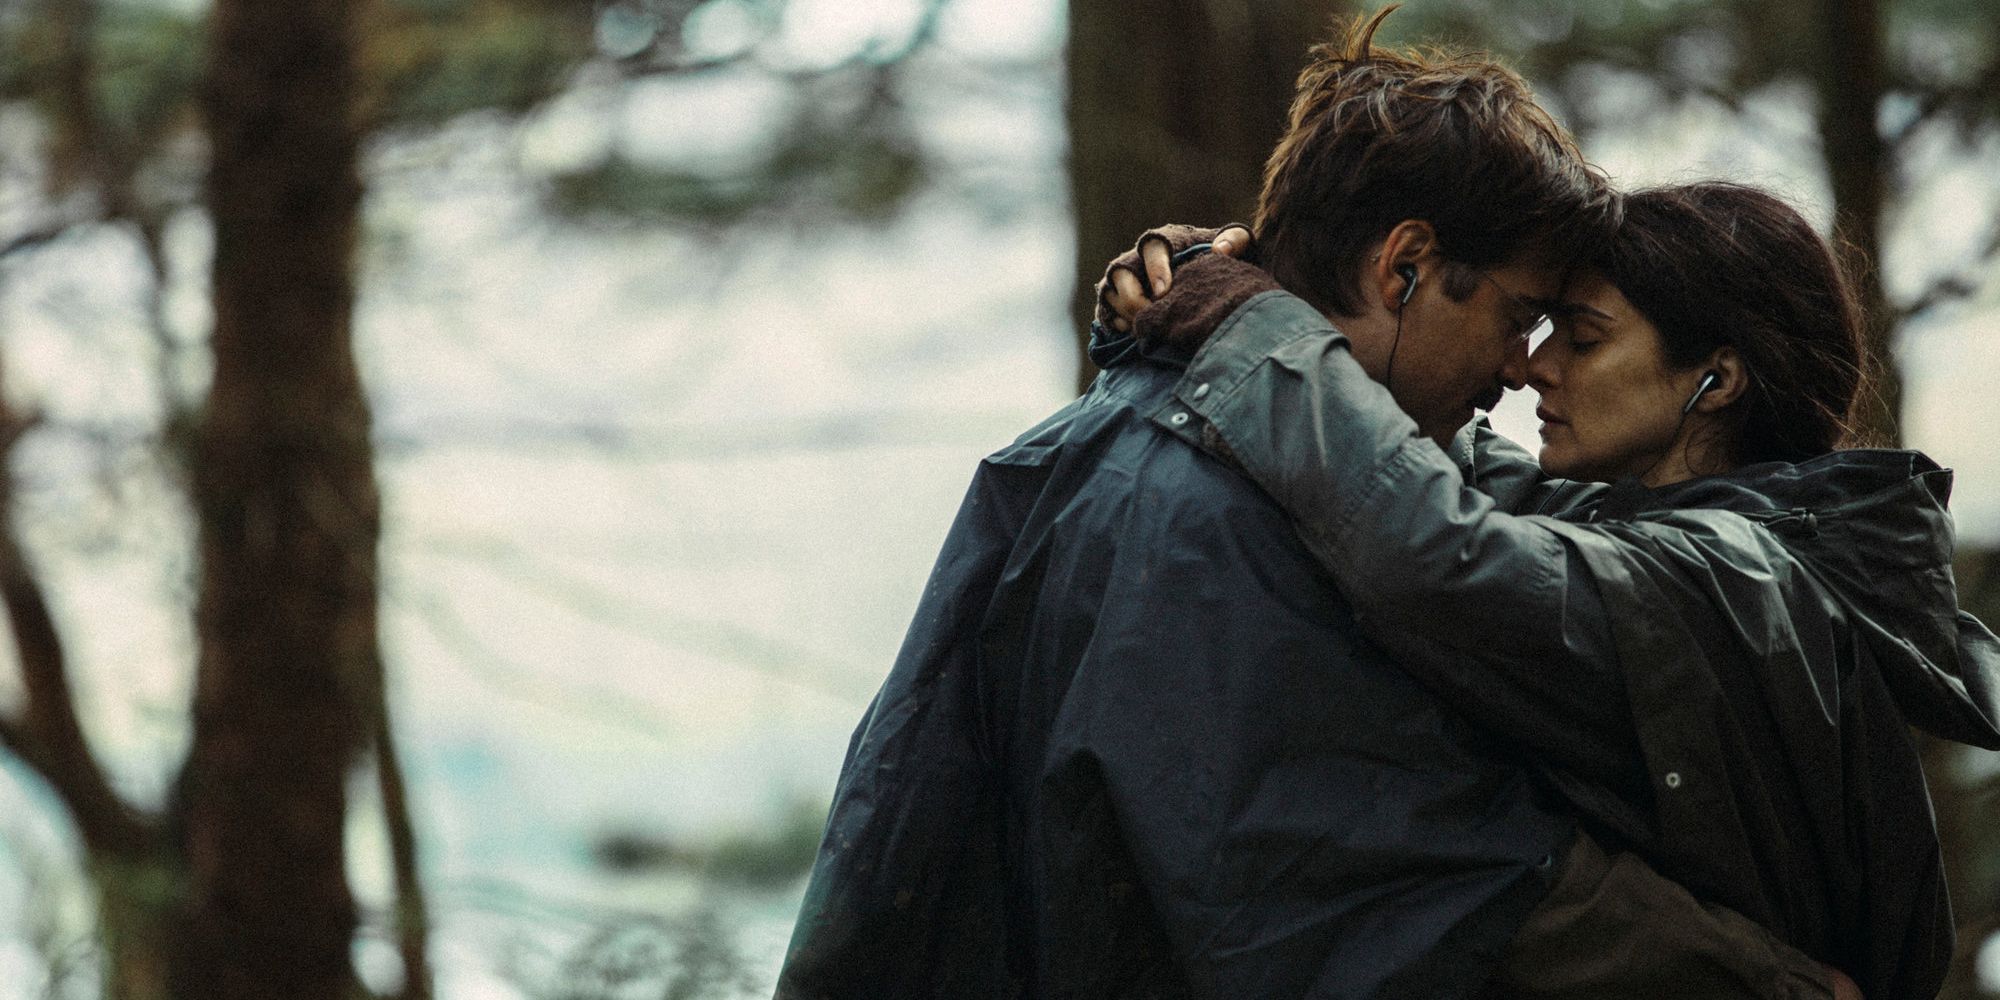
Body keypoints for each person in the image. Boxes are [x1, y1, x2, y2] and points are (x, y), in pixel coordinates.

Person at [779, 14, 1854, 1000]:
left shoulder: (1096, 446)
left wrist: (1231, 324)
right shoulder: (1231, 520)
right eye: (1522, 317)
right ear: (1406, 267)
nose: (1521, 369)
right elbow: (1431, 885)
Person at [1105, 181, 2000, 998]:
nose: (1534, 367)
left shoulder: (1733, 576)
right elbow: (1437, 467)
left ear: (1716, 381)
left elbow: (1430, 549)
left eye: (1583, 337)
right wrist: (1222, 289)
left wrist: (1251, 330)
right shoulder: (1673, 531)